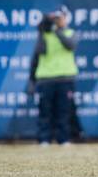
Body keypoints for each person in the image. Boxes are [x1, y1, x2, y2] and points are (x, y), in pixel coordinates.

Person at [29, 9, 78, 145]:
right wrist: (44, 27)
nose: (57, 20)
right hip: (46, 78)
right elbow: (38, 52)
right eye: (55, 18)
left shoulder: (70, 33)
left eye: (59, 18)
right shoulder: (44, 34)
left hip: (65, 78)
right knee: (45, 112)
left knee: (64, 111)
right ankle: (44, 139)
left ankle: (63, 139)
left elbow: (70, 45)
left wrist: (57, 30)